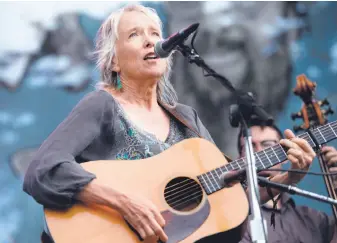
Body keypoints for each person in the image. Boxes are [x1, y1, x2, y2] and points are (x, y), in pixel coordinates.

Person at [23, 4, 316, 243]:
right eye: (135, 35)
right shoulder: (103, 105)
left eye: (154, 32)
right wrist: (123, 202)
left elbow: (230, 198)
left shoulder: (187, 118)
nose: (152, 40)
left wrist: (289, 178)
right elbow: (42, 170)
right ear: (114, 61)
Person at [237, 119, 337, 243]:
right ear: (239, 158)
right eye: (249, 147)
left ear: (285, 156)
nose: (259, 152)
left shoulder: (315, 220)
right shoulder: (234, 218)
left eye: (267, 145)